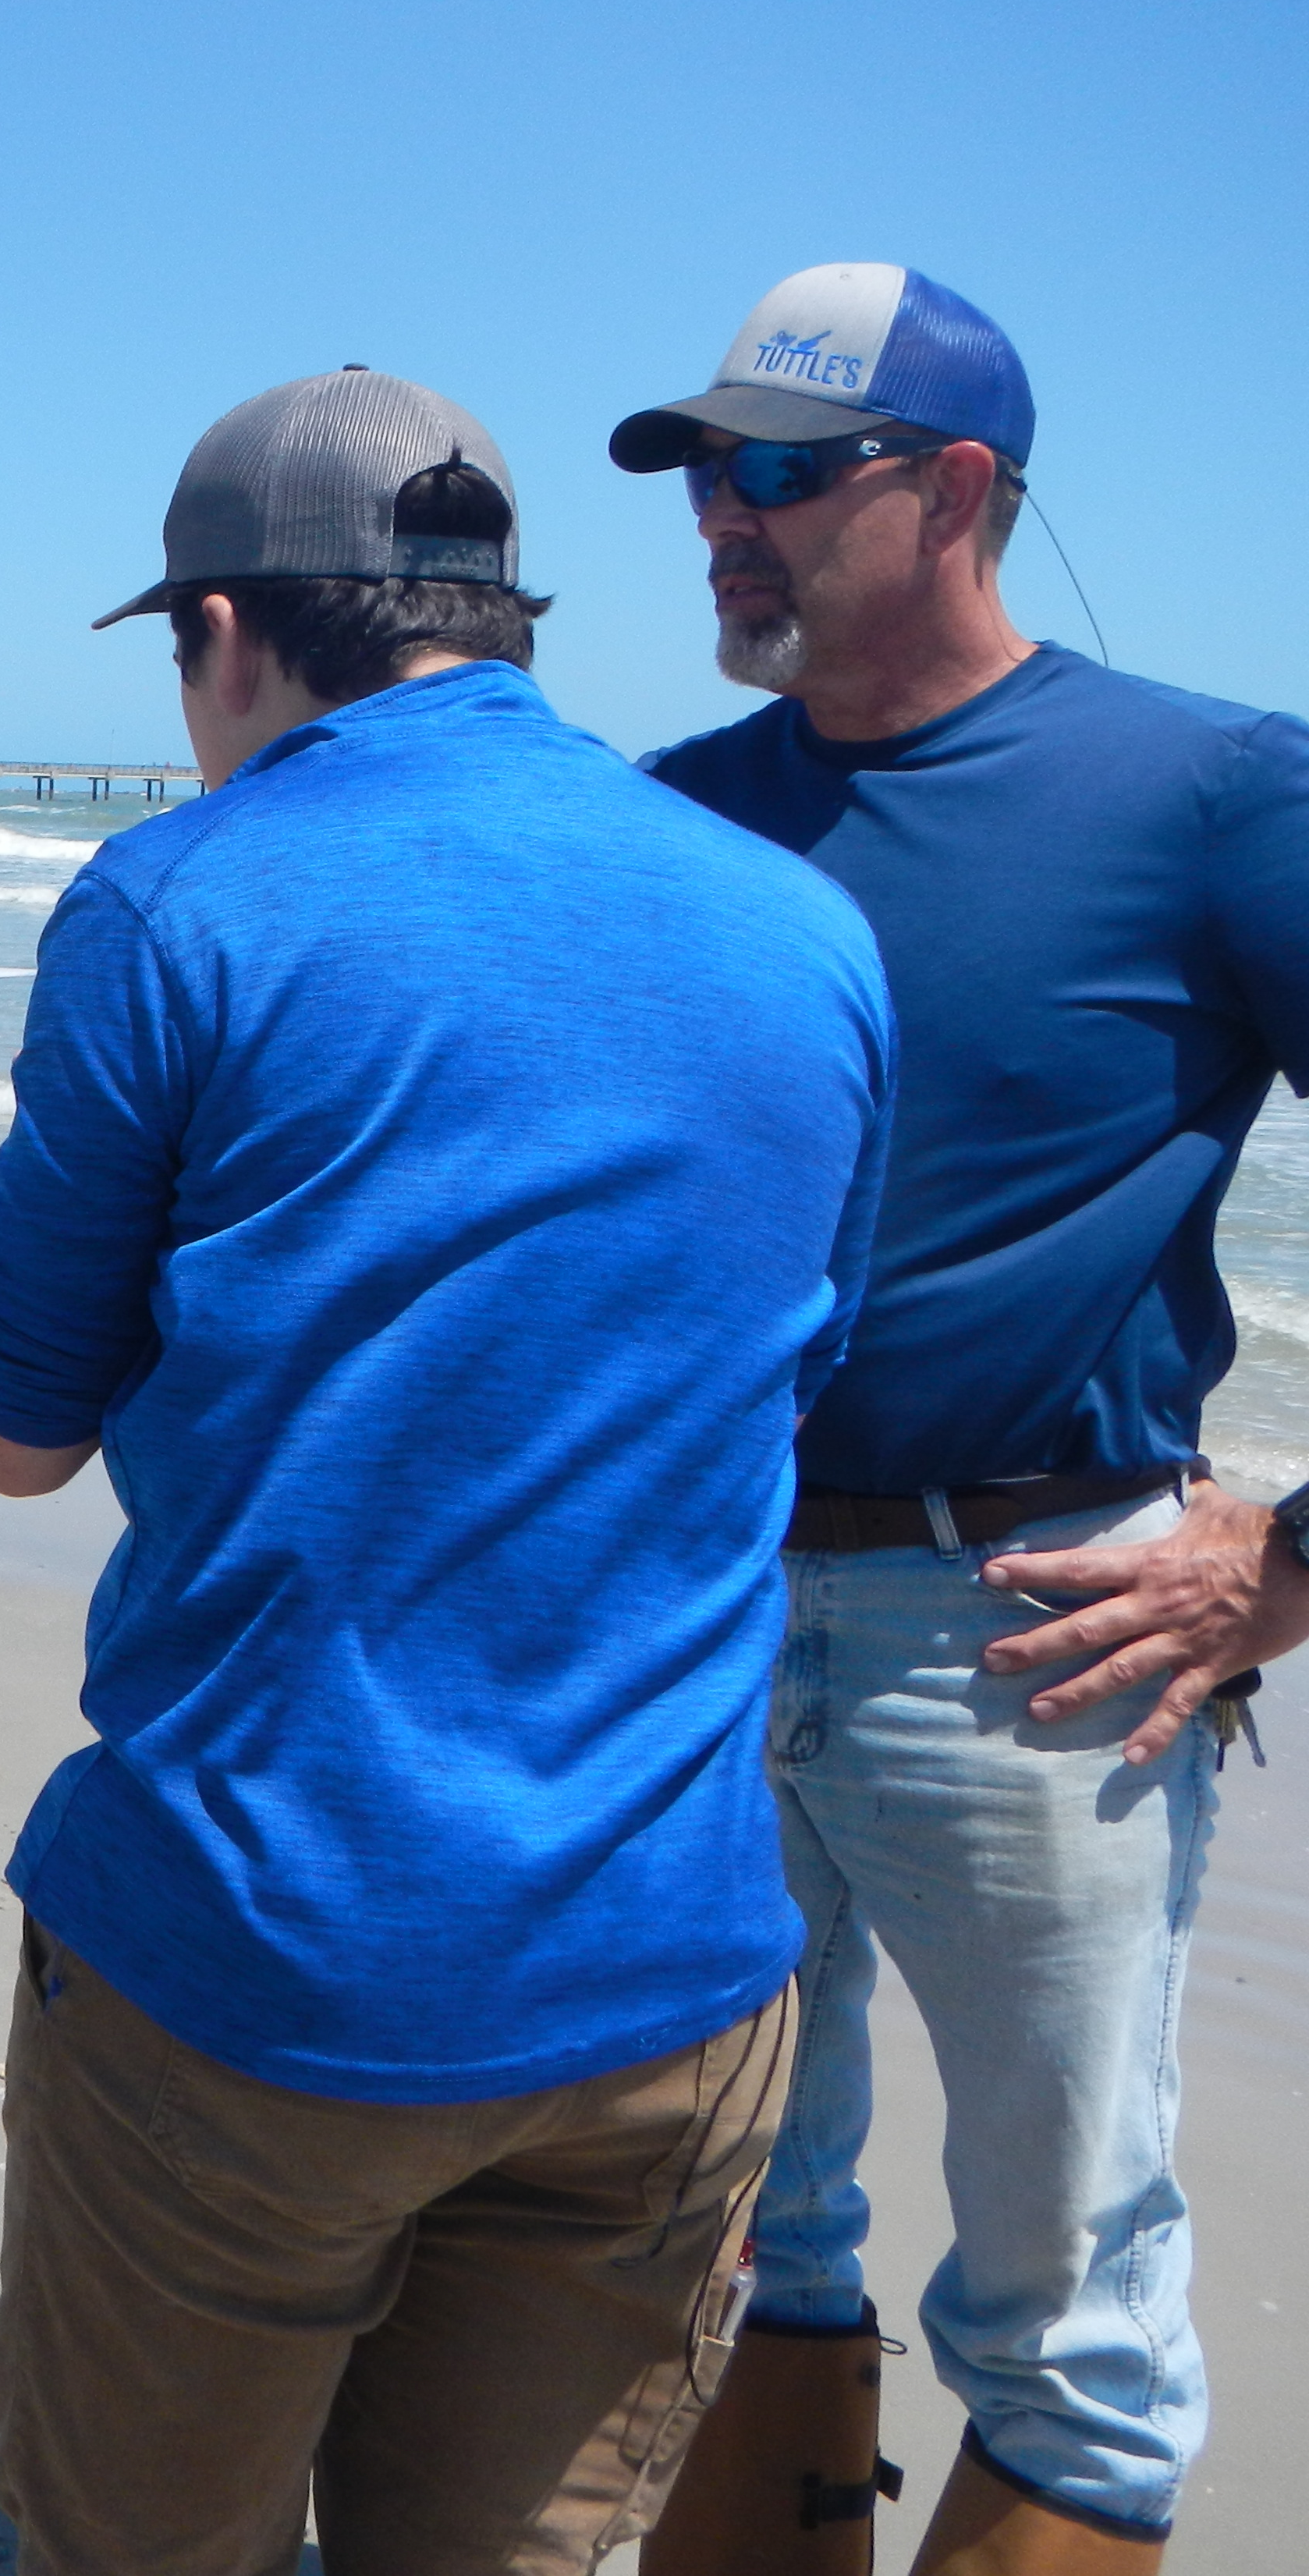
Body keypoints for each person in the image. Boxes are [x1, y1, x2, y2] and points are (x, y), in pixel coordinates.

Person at [0, 369, 896, 2573]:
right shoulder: (804, 931)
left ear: (219, 629)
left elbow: (9, 1435)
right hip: (669, 1965)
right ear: (506, 619)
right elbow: (793, 1362)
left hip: (268, 1965)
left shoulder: (178, 904)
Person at [614, 265, 1309, 2574]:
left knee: (1071, 2320)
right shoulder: (673, 822)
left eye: (786, 473)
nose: (727, 515)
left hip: (1034, 1640)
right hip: (695, 1630)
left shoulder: (1213, 796)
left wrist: (1295, 1560)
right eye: (708, 470)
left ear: (964, 490)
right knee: (719, 2242)